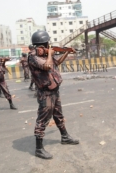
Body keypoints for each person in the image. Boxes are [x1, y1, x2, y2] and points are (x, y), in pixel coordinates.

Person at [28, 31, 79, 160]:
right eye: (47, 43)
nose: (49, 45)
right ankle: (39, 149)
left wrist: (67, 52)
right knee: (43, 119)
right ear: (43, 43)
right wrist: (50, 54)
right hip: (45, 93)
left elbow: (56, 63)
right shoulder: (33, 56)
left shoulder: (46, 54)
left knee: (58, 115)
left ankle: (65, 137)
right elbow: (47, 66)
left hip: (54, 90)